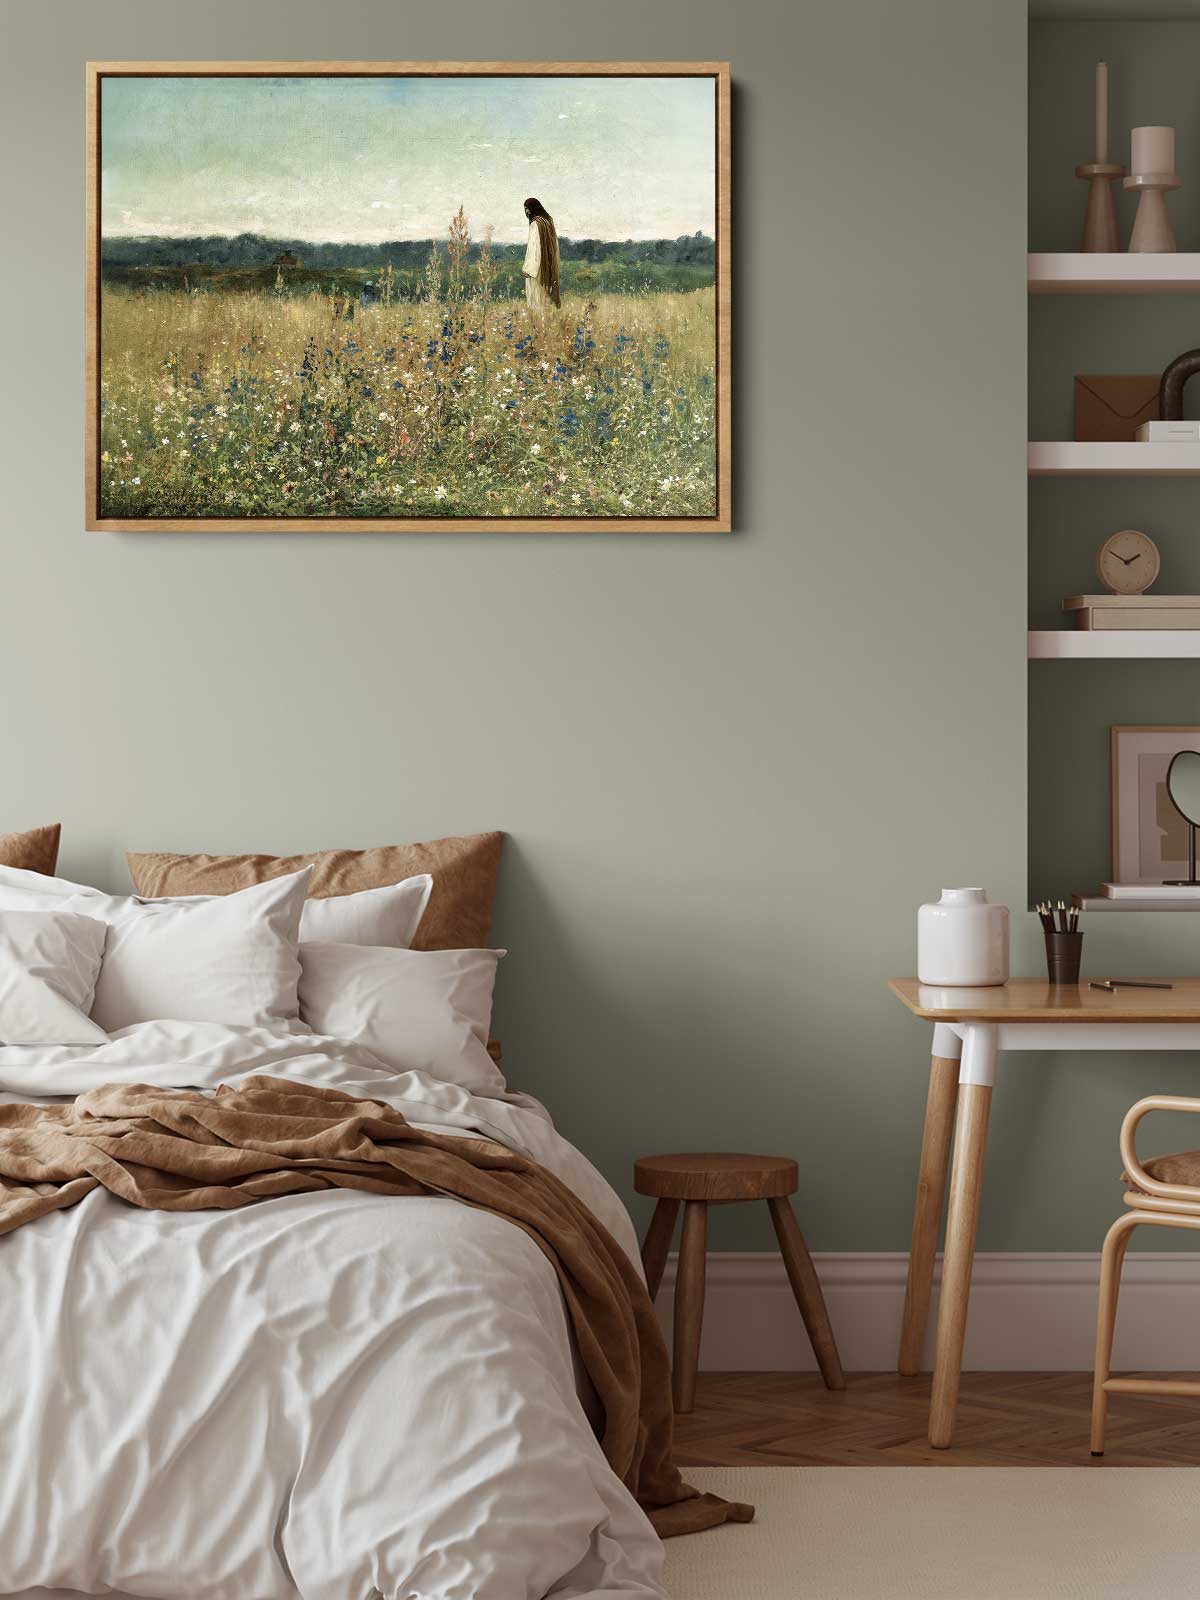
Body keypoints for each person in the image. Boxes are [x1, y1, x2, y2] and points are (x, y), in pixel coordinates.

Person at [522, 197, 561, 311]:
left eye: (527, 208)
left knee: (536, 299)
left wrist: (528, 269)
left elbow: (534, 248)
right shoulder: (548, 221)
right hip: (548, 267)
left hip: (536, 269)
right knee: (545, 298)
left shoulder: (536, 223)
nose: (527, 212)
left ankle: (538, 323)